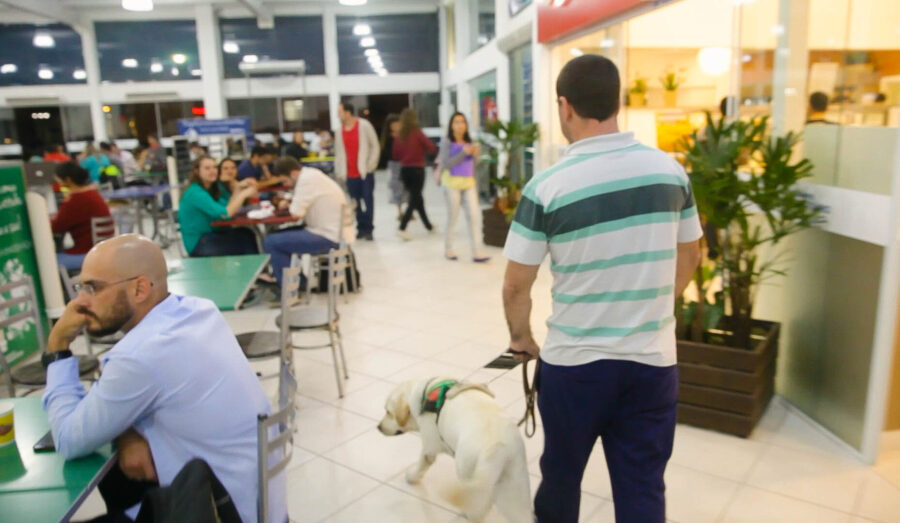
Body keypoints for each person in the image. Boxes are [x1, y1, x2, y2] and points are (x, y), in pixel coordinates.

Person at [501, 54, 702, 523]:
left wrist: (521, 339)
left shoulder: (547, 187)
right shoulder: (669, 172)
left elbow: (516, 285)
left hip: (575, 367)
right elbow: (692, 254)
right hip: (652, 363)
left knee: (562, 479)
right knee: (642, 486)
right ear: (618, 102)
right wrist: (655, 306)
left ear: (564, 106)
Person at [41, 234, 287, 523]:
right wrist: (126, 432)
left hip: (217, 511)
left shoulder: (139, 356)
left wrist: (57, 346)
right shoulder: (199, 310)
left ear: (140, 288)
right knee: (118, 479)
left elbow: (68, 439)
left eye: (93, 288)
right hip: (257, 501)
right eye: (79, 286)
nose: (79, 302)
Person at [264, 157, 356, 287]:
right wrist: (290, 201)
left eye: (285, 181)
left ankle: (291, 288)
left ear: (293, 174)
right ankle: (297, 283)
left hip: (327, 236)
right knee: (276, 234)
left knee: (272, 242)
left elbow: (296, 213)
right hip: (333, 231)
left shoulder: (306, 180)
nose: (286, 185)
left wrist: (286, 203)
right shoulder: (311, 174)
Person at [178, 156, 259, 257]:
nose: (212, 171)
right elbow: (225, 214)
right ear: (197, 171)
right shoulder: (195, 192)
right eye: (207, 168)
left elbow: (227, 207)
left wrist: (238, 189)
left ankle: (254, 270)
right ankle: (256, 271)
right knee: (244, 240)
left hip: (209, 235)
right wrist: (243, 194)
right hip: (199, 243)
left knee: (246, 234)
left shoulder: (208, 188)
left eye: (214, 167)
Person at [436, 112, 489, 262]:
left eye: (462, 122)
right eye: (456, 122)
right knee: (452, 217)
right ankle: (449, 249)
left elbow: (474, 164)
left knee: (474, 217)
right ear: (451, 125)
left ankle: (477, 252)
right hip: (452, 184)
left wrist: (475, 154)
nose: (460, 125)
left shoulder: (469, 141)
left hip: (469, 183)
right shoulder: (446, 142)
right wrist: (463, 153)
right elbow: (446, 164)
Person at [52, 162, 112, 271]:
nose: (58, 183)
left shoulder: (76, 199)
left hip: (86, 253)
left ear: (68, 180)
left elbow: (56, 227)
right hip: (100, 249)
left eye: (59, 180)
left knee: (47, 262)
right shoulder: (92, 193)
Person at [334, 102, 380, 241]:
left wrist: (371, 165)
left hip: (365, 172)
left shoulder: (364, 125)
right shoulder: (339, 131)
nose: (338, 115)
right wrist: (340, 171)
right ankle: (360, 227)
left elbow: (375, 145)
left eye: (340, 111)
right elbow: (339, 153)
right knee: (355, 202)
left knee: (368, 199)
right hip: (349, 173)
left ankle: (369, 228)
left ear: (348, 112)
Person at [393, 108, 436, 240]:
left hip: (404, 170)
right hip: (417, 169)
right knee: (414, 199)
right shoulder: (417, 132)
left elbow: (396, 154)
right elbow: (431, 147)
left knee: (417, 197)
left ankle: (428, 225)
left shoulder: (400, 135)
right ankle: (402, 227)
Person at [379, 113, 407, 221]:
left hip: (405, 163)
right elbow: (386, 152)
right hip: (394, 164)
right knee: (397, 187)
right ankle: (399, 211)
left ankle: (409, 210)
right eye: (393, 124)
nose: (396, 126)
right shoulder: (387, 138)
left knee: (407, 187)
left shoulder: (405, 135)